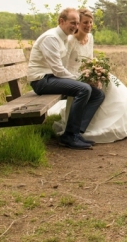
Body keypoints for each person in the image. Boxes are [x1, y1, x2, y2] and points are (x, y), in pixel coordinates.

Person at [51, 8, 127, 143]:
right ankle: (82, 129)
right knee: (96, 91)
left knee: (110, 83)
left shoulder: (90, 37)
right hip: (73, 76)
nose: (88, 26)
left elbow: (90, 59)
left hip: (87, 72)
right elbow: (64, 66)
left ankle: (118, 121)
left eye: (90, 23)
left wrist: (96, 72)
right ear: (78, 24)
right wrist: (84, 78)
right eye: (85, 23)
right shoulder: (70, 40)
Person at [28, 8, 105, 150]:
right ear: (61, 21)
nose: (75, 26)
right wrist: (80, 79)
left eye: (77, 23)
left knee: (98, 94)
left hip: (52, 78)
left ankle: (77, 133)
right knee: (84, 89)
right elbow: (58, 70)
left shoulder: (63, 37)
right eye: (72, 23)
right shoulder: (51, 38)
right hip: (41, 80)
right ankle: (69, 136)